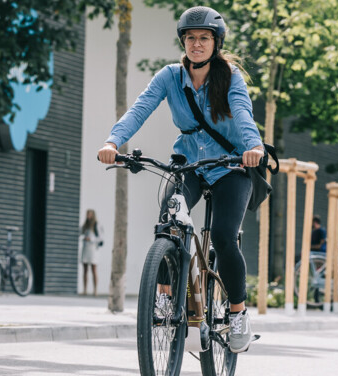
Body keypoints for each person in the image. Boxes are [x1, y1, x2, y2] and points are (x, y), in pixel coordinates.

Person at [97, 6, 263, 353]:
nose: (197, 44)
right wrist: (113, 141)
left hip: (231, 165)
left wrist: (254, 146)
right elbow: (140, 108)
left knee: (222, 235)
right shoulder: (170, 77)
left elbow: (243, 113)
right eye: (191, 38)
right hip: (188, 163)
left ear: (216, 43)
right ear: (183, 42)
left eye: (204, 38)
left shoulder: (230, 76)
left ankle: (237, 312)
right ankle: (165, 300)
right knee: (169, 223)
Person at [80, 209, 103, 296]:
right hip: (85, 248)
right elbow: (80, 233)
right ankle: (85, 290)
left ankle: (95, 290)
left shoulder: (97, 225)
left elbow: (101, 238)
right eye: (87, 214)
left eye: (89, 214)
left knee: (94, 269)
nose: (88, 216)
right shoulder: (85, 225)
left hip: (93, 249)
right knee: (85, 269)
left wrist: (91, 239)